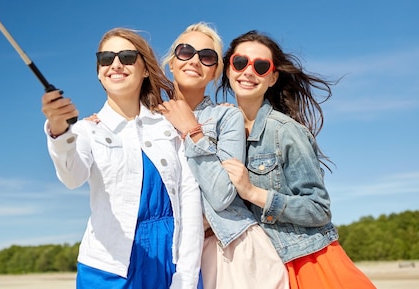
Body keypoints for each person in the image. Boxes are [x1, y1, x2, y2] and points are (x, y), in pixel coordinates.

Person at [41, 28, 203, 289]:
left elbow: (190, 199)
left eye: (127, 56)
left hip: (171, 260)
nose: (115, 64)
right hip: (108, 266)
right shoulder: (86, 130)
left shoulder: (170, 125)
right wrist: (59, 129)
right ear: (98, 72)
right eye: (106, 58)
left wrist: (186, 276)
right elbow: (72, 177)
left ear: (146, 69)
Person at [218, 30, 376, 289]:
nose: (248, 71)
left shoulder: (285, 131)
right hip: (258, 268)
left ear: (272, 78)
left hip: (306, 262)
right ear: (228, 69)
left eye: (260, 66)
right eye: (240, 62)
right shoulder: (223, 129)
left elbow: (319, 208)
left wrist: (252, 192)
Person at [159, 23, 288, 289]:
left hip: (230, 247)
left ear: (216, 72)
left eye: (207, 57)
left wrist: (192, 132)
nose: (195, 60)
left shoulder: (226, 117)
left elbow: (222, 196)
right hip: (173, 253)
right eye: (185, 52)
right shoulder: (147, 120)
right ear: (171, 63)